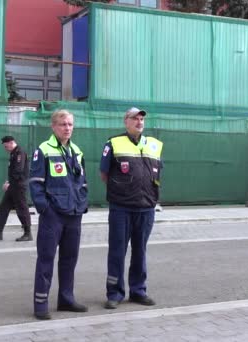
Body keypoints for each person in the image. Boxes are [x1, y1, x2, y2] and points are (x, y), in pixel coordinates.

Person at [100, 107, 163, 310]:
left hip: (146, 208)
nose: (139, 121)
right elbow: (104, 174)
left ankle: (138, 291)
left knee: (140, 251)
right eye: (134, 118)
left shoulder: (154, 145)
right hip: (121, 208)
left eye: (142, 118)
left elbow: (156, 174)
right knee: (117, 251)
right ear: (125, 121)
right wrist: (121, 193)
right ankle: (114, 293)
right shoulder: (113, 143)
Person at [29, 110, 88, 320]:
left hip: (74, 214)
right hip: (53, 215)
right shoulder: (43, 150)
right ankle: (40, 304)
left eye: (70, 124)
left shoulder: (77, 151)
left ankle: (66, 299)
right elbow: (35, 184)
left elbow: (82, 182)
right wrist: (45, 209)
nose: (67, 128)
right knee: (46, 259)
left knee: (69, 259)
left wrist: (82, 205)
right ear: (53, 127)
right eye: (63, 124)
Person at [0, 136, 32, 242]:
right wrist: (8, 182)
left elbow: (18, 170)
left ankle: (27, 233)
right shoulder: (13, 153)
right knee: (4, 207)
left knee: (22, 209)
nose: (5, 149)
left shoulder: (19, 152)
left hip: (19, 186)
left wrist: (10, 183)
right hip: (13, 186)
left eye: (6, 146)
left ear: (11, 143)